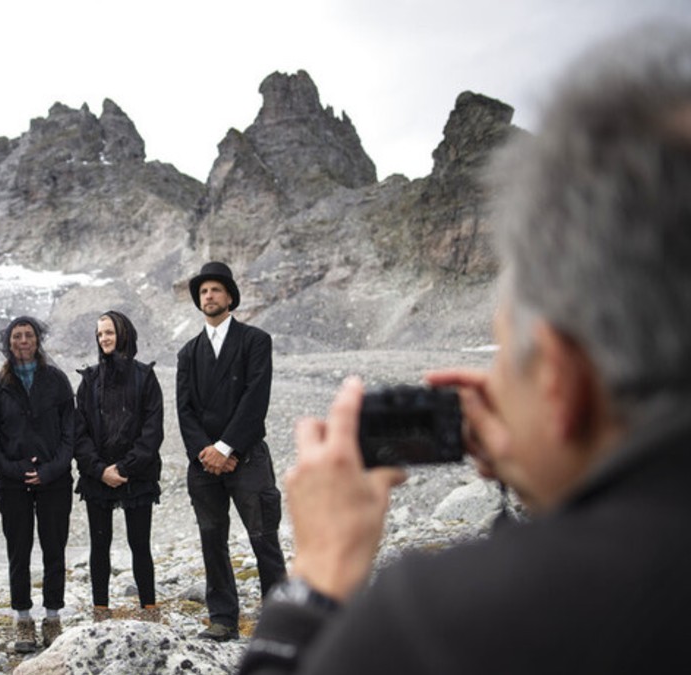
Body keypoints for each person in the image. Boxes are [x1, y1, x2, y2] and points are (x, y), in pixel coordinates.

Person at [239, 21, 691, 674]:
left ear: (561, 381)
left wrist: (318, 573)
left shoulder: (438, 622)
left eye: (509, 355)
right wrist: (552, 472)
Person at [176, 261, 286, 641]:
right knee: (212, 538)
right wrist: (206, 452)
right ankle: (222, 618)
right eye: (203, 291)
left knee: (263, 538)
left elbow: (256, 399)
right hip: (204, 464)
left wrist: (226, 447)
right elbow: (184, 409)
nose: (209, 296)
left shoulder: (255, 341)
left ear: (230, 297)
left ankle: (278, 622)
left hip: (247, 456)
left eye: (216, 290)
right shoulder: (188, 353)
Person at [0, 316, 75, 653]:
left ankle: (53, 617)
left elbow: (70, 434)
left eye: (29, 335)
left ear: (38, 340)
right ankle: (22, 619)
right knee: (18, 550)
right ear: (8, 343)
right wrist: (13, 469)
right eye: (17, 336)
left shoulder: (57, 380)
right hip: (13, 483)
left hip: (55, 481)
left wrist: (51, 470)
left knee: (54, 547)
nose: (23, 340)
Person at [73, 310, 164, 622]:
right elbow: (79, 433)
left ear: (123, 333)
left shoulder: (145, 377)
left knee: (140, 543)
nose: (104, 339)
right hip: (98, 477)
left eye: (109, 332)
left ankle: (149, 607)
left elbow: (153, 431)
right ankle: (100, 608)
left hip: (137, 476)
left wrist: (124, 469)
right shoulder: (89, 381)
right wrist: (100, 470)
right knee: (100, 543)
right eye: (99, 334)